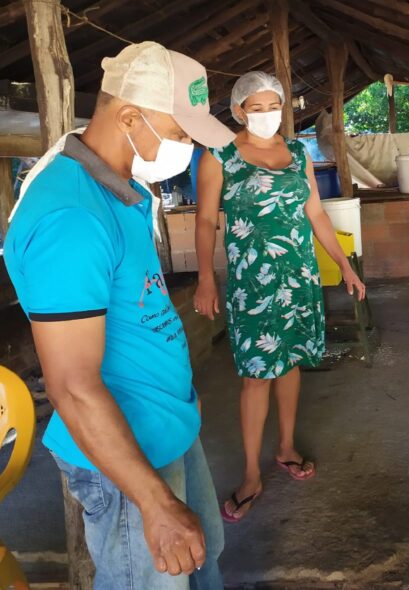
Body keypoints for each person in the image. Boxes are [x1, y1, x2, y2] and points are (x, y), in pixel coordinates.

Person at [3, 42, 234, 589]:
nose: (185, 149)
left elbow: (138, 306)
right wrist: (153, 503)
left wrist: (178, 391)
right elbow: (72, 386)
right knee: (150, 576)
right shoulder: (70, 217)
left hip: (165, 424)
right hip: (128, 461)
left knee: (203, 557)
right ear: (129, 116)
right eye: (180, 135)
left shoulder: (121, 188)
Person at [193, 71, 365, 523]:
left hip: (298, 276)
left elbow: (315, 212)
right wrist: (206, 278)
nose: (267, 115)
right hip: (253, 282)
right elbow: (205, 219)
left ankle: (285, 446)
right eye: (257, 107)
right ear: (237, 111)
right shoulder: (220, 157)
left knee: (289, 361)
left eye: (274, 106)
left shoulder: (297, 153)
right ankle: (251, 473)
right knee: (256, 374)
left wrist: (344, 264)